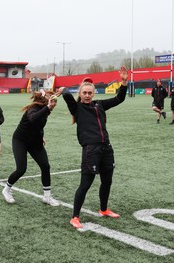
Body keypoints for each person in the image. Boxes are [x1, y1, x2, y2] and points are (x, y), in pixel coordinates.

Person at [56, 67, 129, 229]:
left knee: (107, 181)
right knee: (86, 184)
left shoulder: (100, 105)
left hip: (106, 149)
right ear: (80, 94)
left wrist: (124, 82)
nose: (87, 95)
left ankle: (104, 209)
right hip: (91, 150)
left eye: (90, 93)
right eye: (85, 93)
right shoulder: (77, 108)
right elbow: (67, 96)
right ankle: (75, 217)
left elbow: (119, 98)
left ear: (94, 93)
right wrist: (63, 89)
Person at [1, 89, 59, 206]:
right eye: (51, 102)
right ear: (44, 102)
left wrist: (41, 136)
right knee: (21, 169)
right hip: (20, 141)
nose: (53, 105)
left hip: (35, 142)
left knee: (45, 166)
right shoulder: (33, 109)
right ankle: (6, 189)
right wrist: (48, 108)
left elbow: (38, 125)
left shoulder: (44, 110)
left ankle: (47, 197)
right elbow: (33, 118)